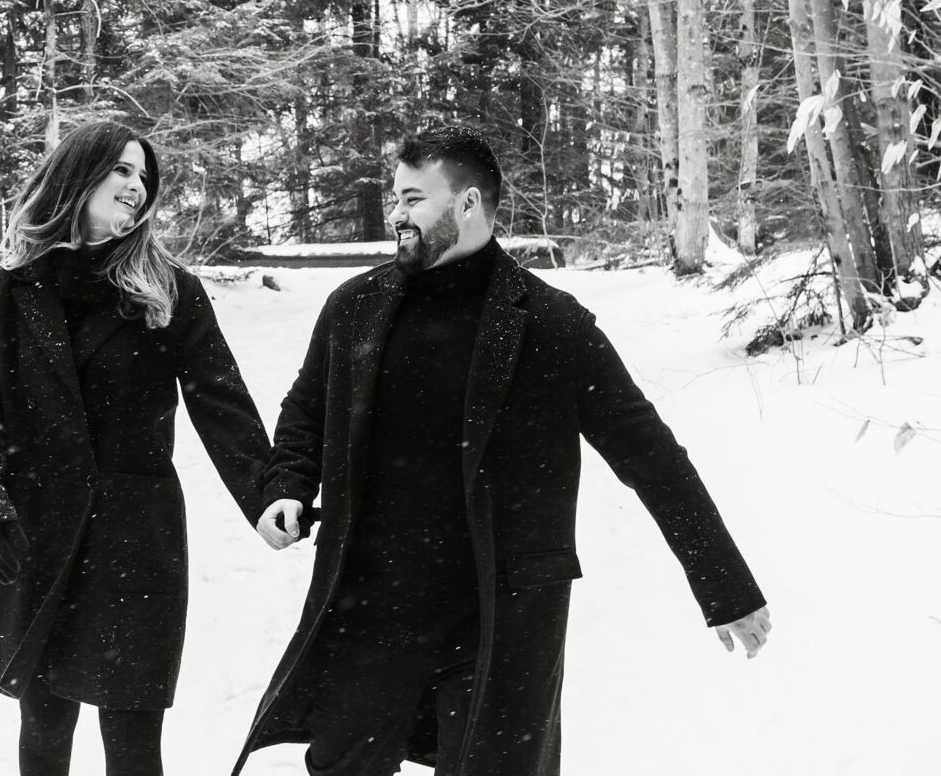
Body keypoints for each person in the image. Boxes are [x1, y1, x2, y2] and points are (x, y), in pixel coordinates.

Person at [237, 126, 771, 776]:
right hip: (370, 608)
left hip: (498, 612)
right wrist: (286, 486)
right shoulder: (355, 308)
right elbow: (307, 412)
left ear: (467, 204)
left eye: (411, 198)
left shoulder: (552, 325)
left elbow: (651, 457)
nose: (395, 214)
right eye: (394, 197)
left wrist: (725, 586)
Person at [0, 120, 276, 776]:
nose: (138, 187)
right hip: (40, 529)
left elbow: (222, 404)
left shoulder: (168, 289)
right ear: (80, 174)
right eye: (123, 171)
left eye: (144, 177)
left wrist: (269, 493)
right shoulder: (13, 291)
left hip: (135, 535)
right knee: (43, 726)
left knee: (132, 740)